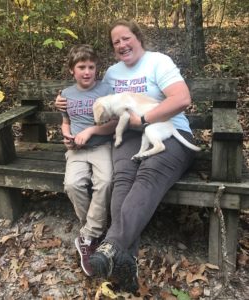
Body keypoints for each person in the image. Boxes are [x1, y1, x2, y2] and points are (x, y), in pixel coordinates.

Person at [55, 20, 197, 294]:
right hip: (130, 136)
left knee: (148, 174)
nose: (121, 45)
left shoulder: (159, 62)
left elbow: (181, 99)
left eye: (126, 38)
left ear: (138, 37)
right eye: (116, 42)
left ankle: (112, 245)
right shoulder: (111, 74)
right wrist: (61, 101)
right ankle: (125, 262)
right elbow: (91, 94)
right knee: (122, 178)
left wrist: (143, 117)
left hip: (169, 133)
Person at [59, 44, 117, 277]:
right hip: (76, 150)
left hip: (101, 145)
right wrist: (66, 135)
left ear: (96, 69)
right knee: (72, 184)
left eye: (91, 67)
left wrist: (92, 131)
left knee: (106, 181)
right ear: (72, 70)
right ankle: (92, 230)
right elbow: (65, 121)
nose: (86, 72)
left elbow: (114, 123)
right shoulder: (65, 95)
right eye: (81, 67)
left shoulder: (105, 90)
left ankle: (88, 236)